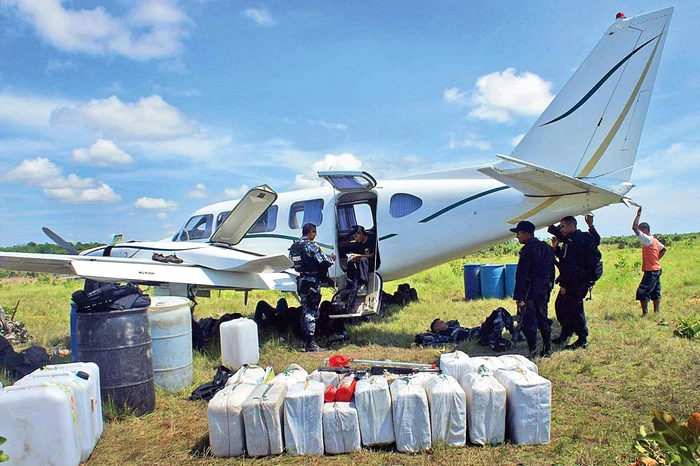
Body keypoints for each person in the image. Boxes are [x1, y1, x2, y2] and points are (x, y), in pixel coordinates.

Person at [548, 214, 600, 350]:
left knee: (575, 309)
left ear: (571, 226)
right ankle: (566, 332)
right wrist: (556, 249)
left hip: (577, 281)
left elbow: (570, 265)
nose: (561, 230)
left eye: (563, 227)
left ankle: (582, 338)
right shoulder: (571, 241)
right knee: (562, 306)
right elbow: (565, 258)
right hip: (571, 280)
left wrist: (564, 285)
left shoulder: (578, 239)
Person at [510, 220, 556, 358]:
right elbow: (552, 272)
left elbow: (521, 275)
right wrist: (548, 288)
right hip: (543, 290)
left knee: (529, 322)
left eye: (518, 233)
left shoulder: (527, 250)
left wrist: (519, 297)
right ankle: (547, 349)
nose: (517, 236)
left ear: (526, 234)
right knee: (543, 318)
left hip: (530, 291)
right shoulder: (547, 248)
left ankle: (533, 352)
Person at [289, 223, 336, 352]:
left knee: (304, 309)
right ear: (311, 233)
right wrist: (332, 258)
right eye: (314, 233)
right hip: (312, 282)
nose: (315, 236)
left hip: (301, 281)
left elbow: (292, 263)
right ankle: (311, 343)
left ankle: (304, 340)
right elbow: (323, 261)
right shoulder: (311, 245)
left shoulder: (295, 246)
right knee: (311, 311)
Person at [632, 206, 666, 315]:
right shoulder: (655, 240)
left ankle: (645, 314)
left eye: (642, 232)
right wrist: (656, 259)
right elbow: (663, 249)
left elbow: (634, 228)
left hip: (651, 270)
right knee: (656, 290)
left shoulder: (647, 239)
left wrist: (638, 214)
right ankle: (656, 312)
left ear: (645, 231)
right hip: (657, 269)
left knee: (643, 291)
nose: (640, 235)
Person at [346, 225, 376, 295]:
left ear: (361, 233)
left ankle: (363, 285)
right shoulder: (358, 243)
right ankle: (350, 282)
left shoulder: (371, 240)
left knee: (363, 260)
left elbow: (373, 255)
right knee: (351, 263)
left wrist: (358, 256)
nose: (355, 239)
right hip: (363, 263)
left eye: (356, 236)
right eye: (354, 237)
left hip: (372, 262)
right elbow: (357, 253)